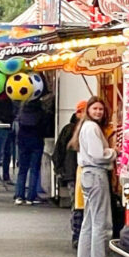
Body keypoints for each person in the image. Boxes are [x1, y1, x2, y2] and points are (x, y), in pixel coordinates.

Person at [73, 97, 116, 257]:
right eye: (95, 108)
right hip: (96, 174)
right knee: (101, 224)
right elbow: (98, 155)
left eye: (101, 109)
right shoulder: (92, 128)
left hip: (87, 174)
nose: (98, 112)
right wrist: (114, 152)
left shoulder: (85, 127)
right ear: (88, 110)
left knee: (88, 223)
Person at [54, 102, 86, 245]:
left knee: (77, 205)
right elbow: (58, 152)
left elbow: (58, 152)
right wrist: (60, 170)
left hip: (71, 172)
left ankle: (78, 235)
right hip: (72, 172)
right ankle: (77, 235)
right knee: (78, 205)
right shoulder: (70, 130)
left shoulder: (70, 129)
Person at [14, 96, 49, 205]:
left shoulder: (21, 112)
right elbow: (45, 128)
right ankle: (31, 197)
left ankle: (19, 196)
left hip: (23, 142)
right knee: (34, 170)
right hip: (37, 142)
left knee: (22, 170)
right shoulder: (41, 113)